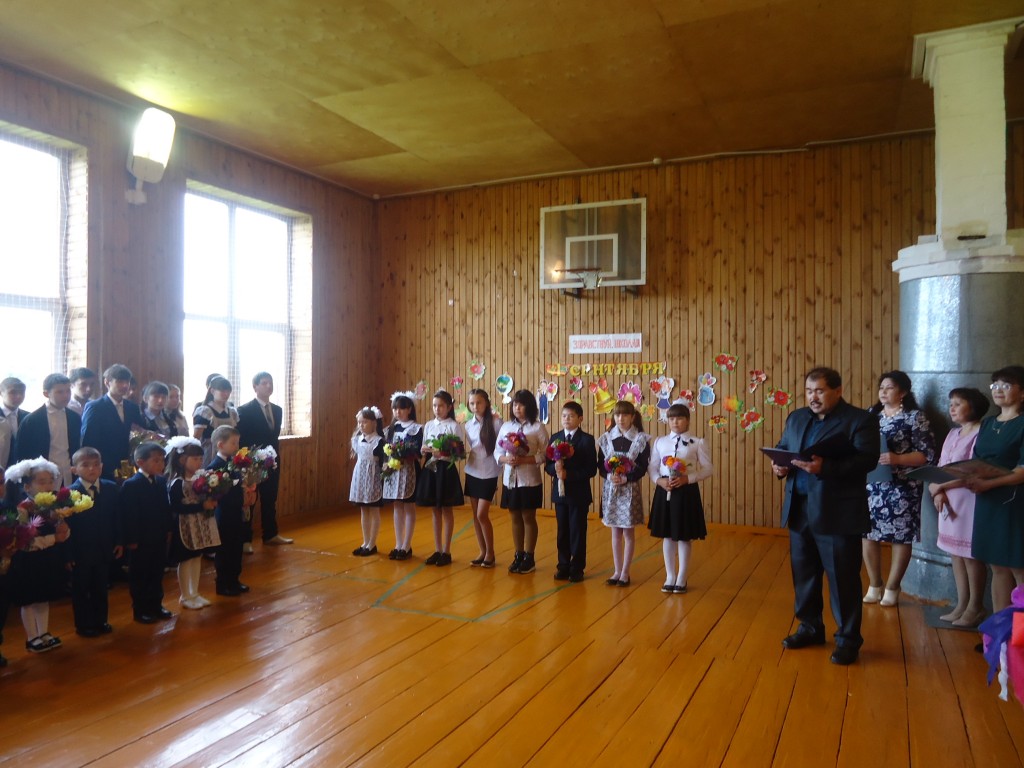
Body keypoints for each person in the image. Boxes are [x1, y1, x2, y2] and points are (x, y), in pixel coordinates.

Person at [771, 366, 880, 666]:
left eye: (819, 391)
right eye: (809, 391)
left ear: (838, 391)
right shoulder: (797, 417)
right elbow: (783, 447)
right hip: (799, 509)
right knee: (804, 574)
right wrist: (779, 465)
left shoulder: (860, 420)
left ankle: (847, 639)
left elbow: (867, 461)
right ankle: (810, 627)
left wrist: (826, 468)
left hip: (838, 512)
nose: (813, 397)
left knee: (843, 578)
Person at [862, 371, 935, 607]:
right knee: (867, 533)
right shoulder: (871, 415)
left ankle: (893, 586)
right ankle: (874, 584)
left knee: (901, 536)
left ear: (903, 392)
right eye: (881, 387)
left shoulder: (915, 417)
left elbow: (927, 455)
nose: (883, 392)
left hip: (903, 486)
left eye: (889, 387)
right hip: (873, 483)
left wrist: (897, 458)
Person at [929, 387, 990, 626]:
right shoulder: (953, 433)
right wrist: (938, 491)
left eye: (958, 404)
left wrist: (939, 486)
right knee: (955, 553)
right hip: (948, 498)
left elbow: (974, 471)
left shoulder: (981, 433)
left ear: (972, 407)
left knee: (970, 554)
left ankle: (976, 606)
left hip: (969, 498)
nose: (952, 408)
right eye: (951, 404)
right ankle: (962, 604)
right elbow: (941, 465)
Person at [965, 365, 1024, 613]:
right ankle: (999, 629)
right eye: (995, 385)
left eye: (1006, 385)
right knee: (997, 566)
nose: (998, 389)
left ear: (1022, 393)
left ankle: (1020, 632)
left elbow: (1022, 471)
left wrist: (988, 483)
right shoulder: (988, 422)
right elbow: (977, 459)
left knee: (1019, 566)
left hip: (1014, 501)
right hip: (987, 500)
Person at [4, 458, 71, 653]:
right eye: (41, 482)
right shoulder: (23, 509)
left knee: (44, 596)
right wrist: (53, 539)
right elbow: (24, 542)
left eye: (50, 481)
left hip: (47, 558)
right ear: (27, 487)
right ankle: (32, 637)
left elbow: (63, 532)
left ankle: (44, 632)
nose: (48, 486)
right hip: (28, 561)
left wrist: (64, 529)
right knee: (29, 599)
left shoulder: (52, 506)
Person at [648, 402, 712, 594]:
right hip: (664, 490)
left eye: (680, 418)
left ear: (688, 420)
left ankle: (682, 577)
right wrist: (659, 481)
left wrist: (687, 479)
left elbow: (708, 468)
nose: (675, 422)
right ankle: (670, 576)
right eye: (672, 418)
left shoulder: (697, 442)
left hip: (686, 492)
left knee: (684, 535)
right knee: (667, 534)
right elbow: (652, 466)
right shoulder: (660, 441)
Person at [67, 447, 121, 636]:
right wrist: (68, 554)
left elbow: (117, 518)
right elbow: (67, 527)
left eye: (96, 464)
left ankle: (101, 620)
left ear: (102, 466)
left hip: (104, 547)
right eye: (86, 465)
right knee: (81, 589)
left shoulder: (111, 488)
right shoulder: (69, 493)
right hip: (80, 551)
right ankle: (83, 625)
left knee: (101, 587)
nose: (92, 469)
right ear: (74, 469)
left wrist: (119, 541)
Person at [597, 400, 650, 587]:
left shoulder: (641, 439)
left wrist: (627, 478)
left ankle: (625, 572)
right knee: (615, 532)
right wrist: (609, 476)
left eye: (625, 415)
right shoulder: (606, 439)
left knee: (627, 532)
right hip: (611, 489)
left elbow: (642, 467)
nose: (621, 418)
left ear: (632, 417)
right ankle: (616, 571)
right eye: (618, 415)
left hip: (629, 490)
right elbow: (600, 466)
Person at [495, 390, 549, 575]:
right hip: (510, 480)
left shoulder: (537, 427)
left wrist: (525, 460)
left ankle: (529, 557)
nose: (517, 408)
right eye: (515, 404)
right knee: (514, 517)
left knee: (528, 517)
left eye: (521, 404)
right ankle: (518, 554)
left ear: (530, 406)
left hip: (529, 480)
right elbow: (497, 452)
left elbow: (546, 454)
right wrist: (505, 459)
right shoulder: (506, 426)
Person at [120, 441, 174, 623]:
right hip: (141, 539)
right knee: (140, 575)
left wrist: (168, 529)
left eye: (162, 460)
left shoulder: (161, 481)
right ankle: (141, 609)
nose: (161, 464)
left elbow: (165, 508)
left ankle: (156, 605)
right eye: (156, 461)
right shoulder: (131, 485)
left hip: (158, 536)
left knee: (156, 572)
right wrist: (132, 539)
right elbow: (129, 515)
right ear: (140, 462)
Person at [236, 372, 292, 546]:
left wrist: (272, 458)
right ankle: (245, 539)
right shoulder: (244, 410)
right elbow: (242, 440)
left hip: (272, 461)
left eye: (271, 382)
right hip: (252, 462)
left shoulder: (277, 410)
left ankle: (270, 534)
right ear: (255, 387)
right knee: (249, 500)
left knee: (270, 498)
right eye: (264, 383)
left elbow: (273, 437)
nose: (269, 386)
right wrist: (249, 460)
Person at [544, 401, 597, 583]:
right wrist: (555, 470)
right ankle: (563, 565)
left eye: (571, 416)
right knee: (562, 531)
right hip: (560, 494)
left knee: (577, 531)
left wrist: (569, 475)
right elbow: (547, 465)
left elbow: (591, 469)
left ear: (580, 419)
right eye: (564, 416)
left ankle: (577, 567)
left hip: (578, 494)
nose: (567, 419)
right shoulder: (556, 437)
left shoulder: (587, 440)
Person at [165, 436, 220, 609]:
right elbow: (176, 507)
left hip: (199, 524)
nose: (199, 462)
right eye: (195, 459)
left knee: (197, 557)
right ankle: (185, 595)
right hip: (185, 526)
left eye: (200, 459)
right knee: (186, 560)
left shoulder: (200, 479)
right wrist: (201, 506)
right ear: (182, 460)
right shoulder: (177, 483)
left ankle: (194, 592)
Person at [415, 390, 466, 566]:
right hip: (431, 468)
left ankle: (447, 551)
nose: (437, 409)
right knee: (435, 510)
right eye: (435, 406)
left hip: (445, 469)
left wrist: (442, 453)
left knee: (446, 509)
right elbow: (424, 446)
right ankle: (437, 550)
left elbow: (459, 453)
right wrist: (424, 450)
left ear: (449, 407)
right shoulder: (429, 425)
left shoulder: (454, 426)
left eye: (441, 406)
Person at [208, 425, 253, 596]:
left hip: (236, 512)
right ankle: (223, 583)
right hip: (224, 514)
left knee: (236, 547)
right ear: (220, 445)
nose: (237, 446)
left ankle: (234, 579)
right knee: (225, 550)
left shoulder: (234, 464)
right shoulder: (215, 466)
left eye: (238, 443)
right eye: (233, 443)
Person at [80, 364, 146, 481]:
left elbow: (140, 433)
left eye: (127, 382)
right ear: (107, 382)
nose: (125, 385)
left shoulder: (133, 407)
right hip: (105, 466)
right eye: (120, 381)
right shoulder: (95, 407)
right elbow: (89, 440)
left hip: (129, 465)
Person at [14, 373, 81, 486]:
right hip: (42, 475)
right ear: (46, 394)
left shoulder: (74, 417)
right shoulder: (32, 420)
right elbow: (22, 453)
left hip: (68, 472)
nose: (65, 396)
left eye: (68, 391)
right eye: (60, 392)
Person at [382, 392, 422, 561]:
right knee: (397, 507)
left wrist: (405, 454)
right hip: (394, 471)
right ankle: (398, 544)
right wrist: (388, 460)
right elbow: (385, 449)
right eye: (395, 409)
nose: (397, 412)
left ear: (409, 409)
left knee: (408, 507)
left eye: (401, 408)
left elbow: (418, 451)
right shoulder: (391, 429)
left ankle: (407, 545)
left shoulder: (417, 429)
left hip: (409, 471)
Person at [464, 389, 501, 567]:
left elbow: (502, 446)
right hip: (472, 470)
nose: (475, 406)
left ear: (486, 403)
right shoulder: (468, 425)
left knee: (482, 514)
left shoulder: (496, 422)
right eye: (472, 403)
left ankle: (491, 553)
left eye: (478, 402)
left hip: (489, 472)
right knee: (475, 515)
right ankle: (482, 551)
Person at [349, 406, 385, 556]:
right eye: (359, 422)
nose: (361, 425)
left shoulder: (379, 442)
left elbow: (383, 463)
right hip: (360, 477)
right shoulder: (357, 440)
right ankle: (365, 541)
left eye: (364, 422)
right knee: (363, 510)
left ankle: (372, 543)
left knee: (374, 510)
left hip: (373, 478)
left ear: (374, 423)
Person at [0, 377, 29, 458]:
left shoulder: (29, 418)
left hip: (23, 463)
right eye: (13, 392)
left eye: (22, 392)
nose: (19, 396)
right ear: (1, 393)